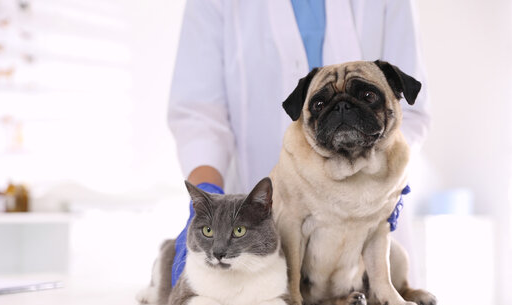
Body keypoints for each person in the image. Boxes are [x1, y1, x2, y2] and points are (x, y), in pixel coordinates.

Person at [168, 0, 430, 287]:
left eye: (363, 97)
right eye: (322, 104)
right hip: (255, 235)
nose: (342, 110)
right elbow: (199, 115)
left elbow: (411, 105)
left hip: (369, 234)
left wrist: (391, 183)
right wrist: (207, 198)